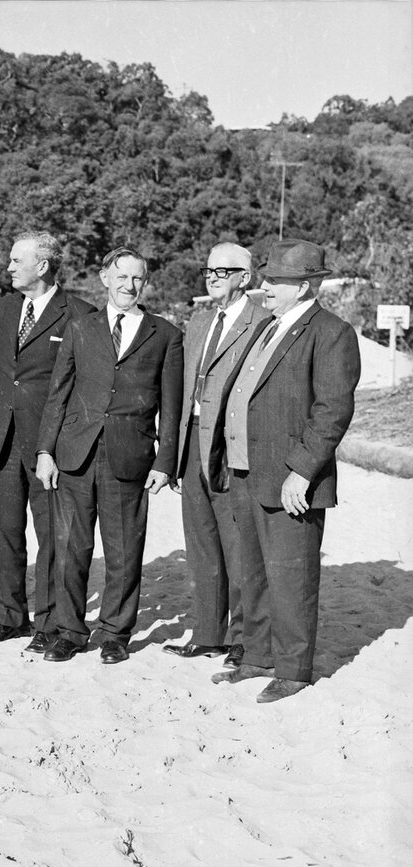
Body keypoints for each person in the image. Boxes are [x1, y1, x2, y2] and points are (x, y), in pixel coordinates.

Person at [208, 239, 360, 703]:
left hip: (291, 479)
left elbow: (332, 410)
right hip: (247, 471)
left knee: (291, 575)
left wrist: (302, 471)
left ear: (308, 285)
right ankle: (257, 656)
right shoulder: (269, 326)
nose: (265, 285)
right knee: (250, 571)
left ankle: (293, 670)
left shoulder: (331, 332)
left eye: (277, 280)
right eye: (266, 277)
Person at [36, 247, 183, 665]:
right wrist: (46, 450)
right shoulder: (80, 328)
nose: (128, 285)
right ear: (105, 278)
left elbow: (170, 407)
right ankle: (69, 632)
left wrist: (164, 461)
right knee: (70, 549)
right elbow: (58, 394)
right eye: (120, 277)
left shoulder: (166, 335)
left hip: (130, 456)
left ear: (146, 282)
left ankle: (115, 634)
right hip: (76, 454)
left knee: (123, 551)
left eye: (137, 278)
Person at [0, 231, 96, 654]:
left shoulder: (80, 314)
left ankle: (47, 623)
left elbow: (82, 387)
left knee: (51, 537)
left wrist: (57, 446)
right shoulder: (4, 308)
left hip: (50, 448)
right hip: (2, 441)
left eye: (16, 260)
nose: (8, 267)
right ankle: (10, 619)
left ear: (43, 266)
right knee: (6, 533)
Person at [164, 243, 266, 669]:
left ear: (246, 277)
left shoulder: (262, 323)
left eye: (223, 271)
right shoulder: (199, 321)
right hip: (192, 449)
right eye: (208, 270)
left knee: (238, 547)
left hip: (229, 448)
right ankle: (208, 634)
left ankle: (242, 640)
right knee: (201, 544)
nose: (212, 278)